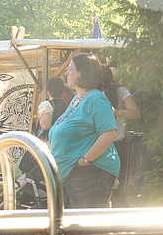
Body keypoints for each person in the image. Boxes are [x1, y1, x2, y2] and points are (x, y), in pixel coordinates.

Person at [48, 53, 120, 209]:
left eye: (69, 69)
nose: (66, 73)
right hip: (73, 175)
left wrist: (85, 161)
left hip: (89, 175)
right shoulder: (77, 99)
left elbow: (109, 133)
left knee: (87, 230)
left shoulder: (96, 98)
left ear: (82, 72)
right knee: (72, 229)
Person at [107, 62, 141, 207]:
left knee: (119, 189)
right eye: (111, 73)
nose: (114, 76)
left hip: (117, 144)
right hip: (100, 144)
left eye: (116, 73)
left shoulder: (120, 91)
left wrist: (117, 113)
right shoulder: (95, 92)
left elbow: (135, 112)